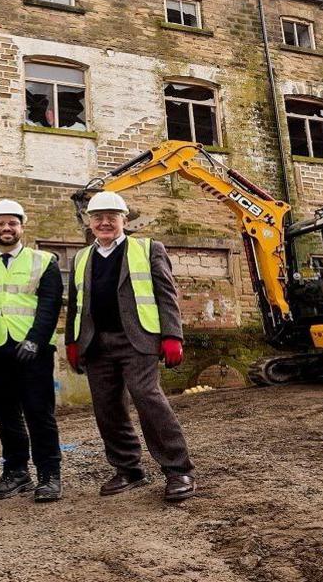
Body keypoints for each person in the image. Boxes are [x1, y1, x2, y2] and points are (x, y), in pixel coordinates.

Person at [64, 191, 196, 502]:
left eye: (112, 216)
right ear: (89, 221)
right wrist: (72, 341)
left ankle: (178, 470)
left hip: (138, 340)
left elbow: (167, 295)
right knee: (107, 407)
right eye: (98, 217)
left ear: (125, 219)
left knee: (149, 400)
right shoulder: (82, 257)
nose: (105, 222)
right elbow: (76, 305)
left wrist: (172, 336)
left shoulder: (148, 248)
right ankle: (128, 469)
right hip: (96, 343)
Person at [0, 200, 64, 502]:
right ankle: (16, 472)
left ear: (22, 226)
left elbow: (50, 305)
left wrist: (35, 340)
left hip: (31, 351)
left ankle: (49, 475)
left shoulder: (43, 261)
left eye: (12, 223)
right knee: (5, 415)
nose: (6, 228)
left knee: (39, 413)